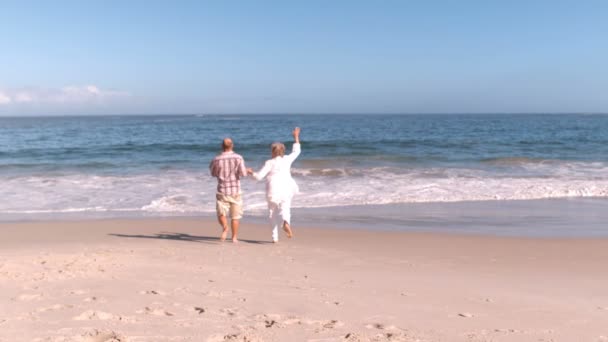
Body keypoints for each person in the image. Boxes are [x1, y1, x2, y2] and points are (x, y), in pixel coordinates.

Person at [248, 127, 301, 243]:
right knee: (285, 209)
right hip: (287, 188)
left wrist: (251, 172)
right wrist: (296, 136)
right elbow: (297, 151)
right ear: (283, 151)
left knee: (272, 213)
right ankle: (286, 222)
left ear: (272, 152)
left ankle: (274, 238)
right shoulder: (287, 159)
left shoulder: (269, 162)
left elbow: (259, 177)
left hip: (273, 190)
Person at [209, 138, 248, 243]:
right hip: (235, 190)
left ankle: (225, 227)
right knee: (235, 216)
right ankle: (234, 237)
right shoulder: (238, 157)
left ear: (222, 146)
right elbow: (243, 174)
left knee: (221, 213)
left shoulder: (216, 159)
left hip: (222, 190)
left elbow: (213, 173)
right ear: (232, 146)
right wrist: (247, 171)